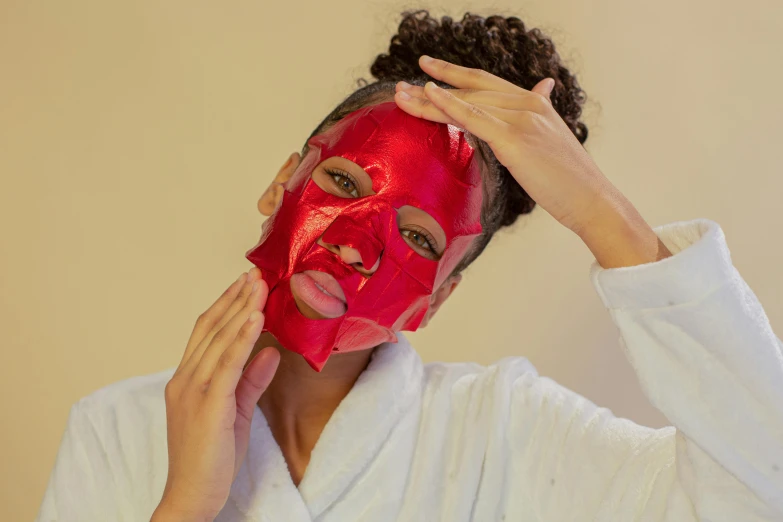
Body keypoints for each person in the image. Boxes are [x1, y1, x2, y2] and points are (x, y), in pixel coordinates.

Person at [35, 10, 782, 522]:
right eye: (342, 184)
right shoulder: (115, 432)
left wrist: (597, 211)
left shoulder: (505, 433)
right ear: (280, 183)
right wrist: (185, 508)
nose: (359, 242)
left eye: (420, 239)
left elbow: (760, 488)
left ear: (437, 300)